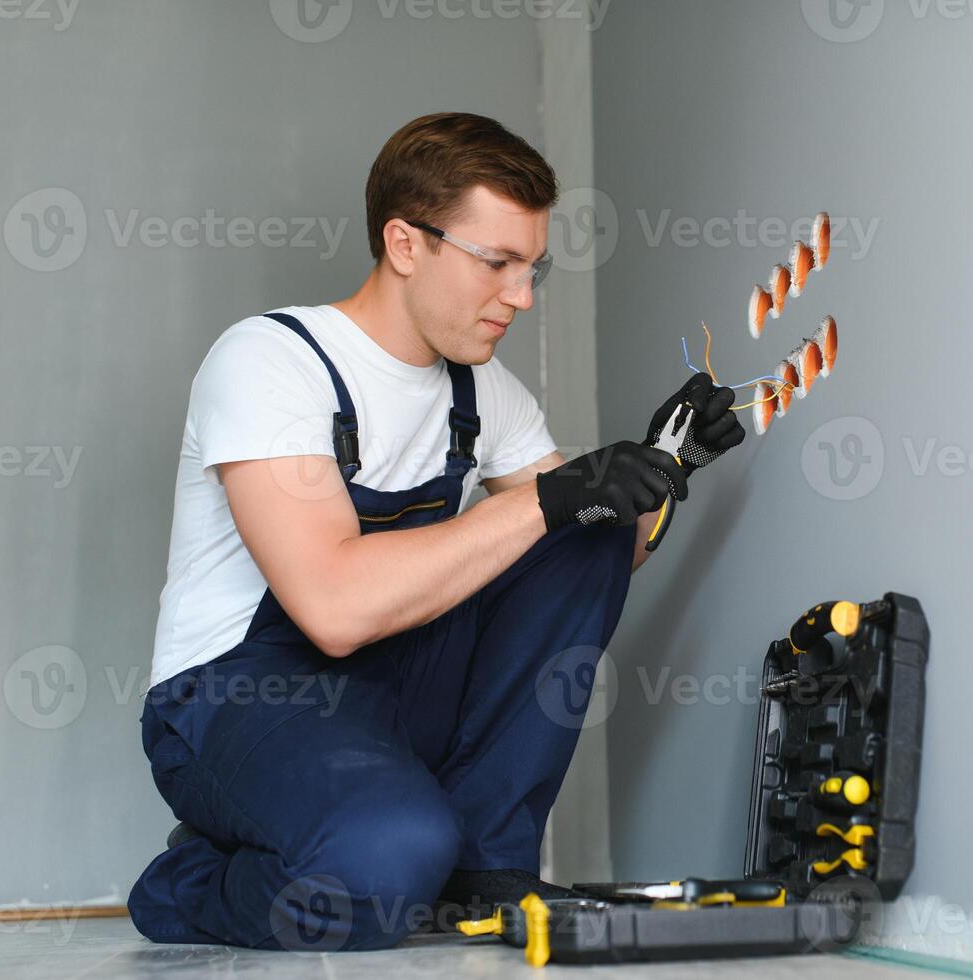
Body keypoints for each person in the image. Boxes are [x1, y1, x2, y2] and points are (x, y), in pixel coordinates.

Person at [126, 112, 744, 950]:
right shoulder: (271, 362)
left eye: (533, 268)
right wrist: (548, 499)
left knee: (585, 528)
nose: (520, 298)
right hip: (240, 698)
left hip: (395, 682)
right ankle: (190, 883)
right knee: (384, 865)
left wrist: (664, 470)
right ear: (405, 243)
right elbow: (334, 609)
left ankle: (485, 861)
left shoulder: (482, 392)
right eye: (496, 264)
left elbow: (598, 552)